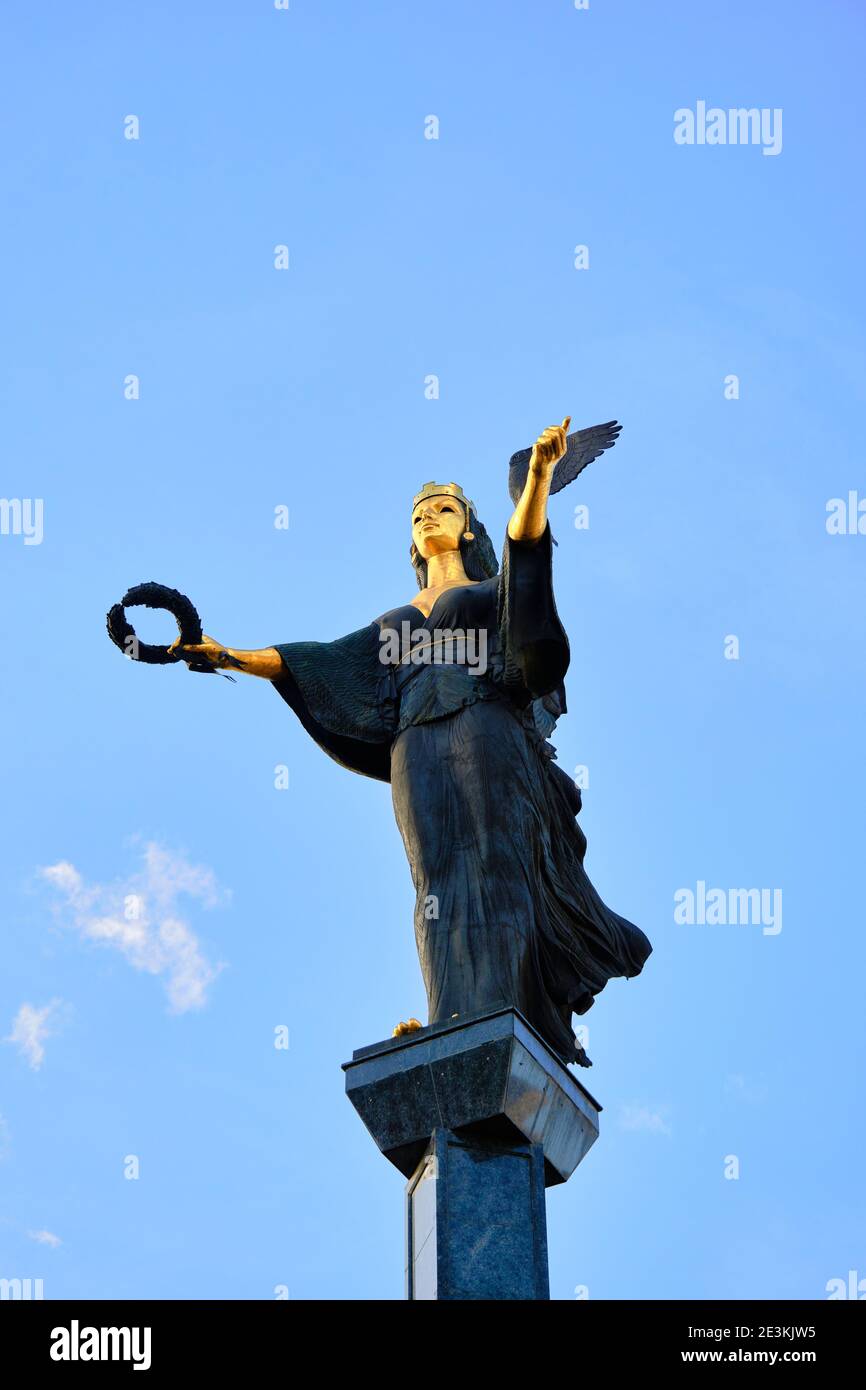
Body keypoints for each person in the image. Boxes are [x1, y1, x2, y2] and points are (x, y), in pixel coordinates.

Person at [171, 419, 651, 1065]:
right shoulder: (396, 618)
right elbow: (322, 660)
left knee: (493, 859)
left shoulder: (489, 591)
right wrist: (226, 654)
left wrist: (537, 477)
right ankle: (451, 1016)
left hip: (484, 719)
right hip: (414, 737)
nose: (429, 519)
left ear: (468, 528)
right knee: (436, 876)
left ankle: (506, 1008)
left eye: (445, 509)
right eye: (420, 513)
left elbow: (528, 556)